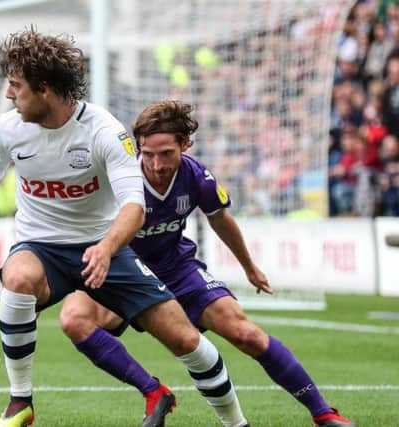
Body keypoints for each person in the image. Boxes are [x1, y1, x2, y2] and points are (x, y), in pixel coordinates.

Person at [0, 30, 248, 427]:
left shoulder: (103, 131)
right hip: (40, 246)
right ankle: (20, 402)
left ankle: (237, 423)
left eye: (16, 86)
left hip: (104, 249)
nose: (9, 95)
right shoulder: (9, 129)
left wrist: (106, 247)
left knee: (186, 340)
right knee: (18, 278)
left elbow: (134, 206)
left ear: (44, 88)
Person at [60, 100, 356, 427]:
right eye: (148, 154)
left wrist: (249, 267)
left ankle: (323, 413)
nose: (156, 164)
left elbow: (221, 220)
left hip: (177, 269)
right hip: (126, 271)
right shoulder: (120, 176)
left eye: (166, 153)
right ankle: (153, 391)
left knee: (246, 333)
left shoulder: (197, 176)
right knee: (74, 319)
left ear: (185, 144)